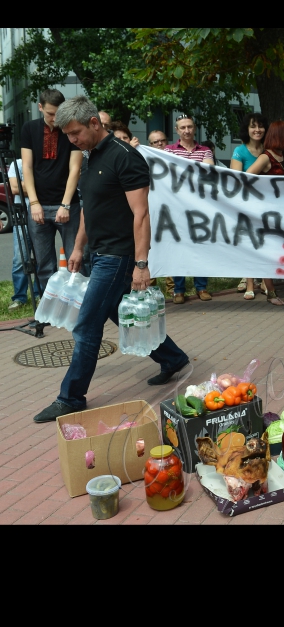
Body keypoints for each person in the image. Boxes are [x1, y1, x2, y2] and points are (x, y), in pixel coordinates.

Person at [33, 96, 190, 423]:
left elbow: (142, 213)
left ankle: (71, 397)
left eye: (75, 132)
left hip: (118, 256)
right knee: (119, 314)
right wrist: (77, 247)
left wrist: (141, 264)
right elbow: (90, 209)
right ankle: (173, 358)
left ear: (94, 123)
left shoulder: (125, 157)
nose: (71, 140)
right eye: (67, 135)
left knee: (87, 325)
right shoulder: (89, 158)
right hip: (97, 252)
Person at [20, 89, 83, 292]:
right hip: (39, 206)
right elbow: (27, 168)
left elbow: (75, 169)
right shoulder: (29, 129)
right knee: (44, 264)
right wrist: (34, 203)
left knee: (76, 260)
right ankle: (49, 307)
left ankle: (77, 304)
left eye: (58, 113)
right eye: (50, 114)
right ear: (40, 108)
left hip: (67, 205)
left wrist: (65, 204)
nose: (55, 118)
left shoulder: (71, 129)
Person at [244, 120, 284, 306]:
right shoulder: (265, 157)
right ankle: (271, 292)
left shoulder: (282, 155)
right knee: (269, 251)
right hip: (268, 212)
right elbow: (247, 177)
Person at [165, 114, 214, 304]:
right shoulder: (168, 150)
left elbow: (209, 172)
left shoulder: (205, 150)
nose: (187, 130)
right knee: (179, 247)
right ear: (177, 130)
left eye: (190, 127)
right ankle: (179, 290)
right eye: (182, 127)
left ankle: (201, 287)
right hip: (177, 208)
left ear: (195, 129)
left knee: (200, 246)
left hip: (200, 207)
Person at [229, 112, 268, 296]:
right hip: (247, 204)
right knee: (249, 244)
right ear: (247, 129)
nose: (257, 130)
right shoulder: (239, 151)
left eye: (260, 126)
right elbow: (236, 179)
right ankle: (251, 285)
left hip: (267, 206)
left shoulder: (269, 149)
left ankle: (267, 282)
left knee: (266, 244)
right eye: (253, 126)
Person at [7, 158, 40, 310]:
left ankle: (39, 294)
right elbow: (14, 188)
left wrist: (27, 187)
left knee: (42, 258)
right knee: (20, 258)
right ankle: (20, 297)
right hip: (21, 216)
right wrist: (39, 187)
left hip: (41, 215)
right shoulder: (17, 164)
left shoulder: (42, 161)